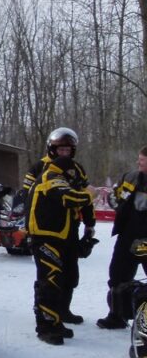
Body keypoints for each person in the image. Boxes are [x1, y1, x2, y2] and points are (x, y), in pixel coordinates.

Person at [27, 127, 96, 345]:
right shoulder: (46, 171)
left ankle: (59, 316)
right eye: (61, 149)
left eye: (68, 149)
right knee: (49, 278)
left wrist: (89, 224)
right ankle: (46, 323)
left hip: (67, 230)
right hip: (46, 231)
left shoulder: (74, 169)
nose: (64, 153)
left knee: (67, 274)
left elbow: (85, 200)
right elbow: (71, 197)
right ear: (53, 149)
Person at [98, 146, 147, 329]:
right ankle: (117, 315)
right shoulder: (130, 177)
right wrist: (114, 199)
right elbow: (114, 197)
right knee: (118, 276)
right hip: (128, 235)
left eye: (141, 160)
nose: (138, 162)